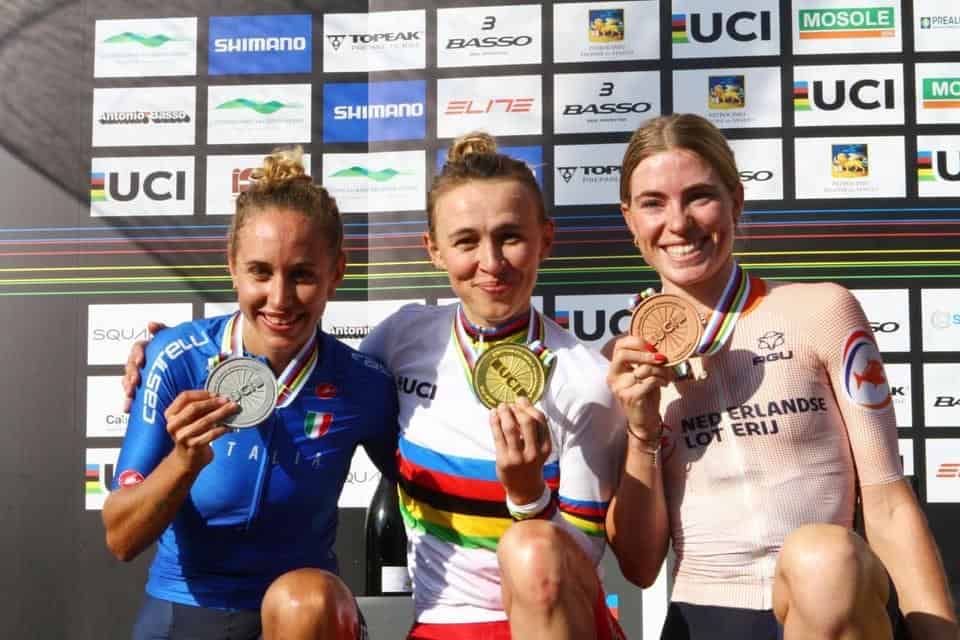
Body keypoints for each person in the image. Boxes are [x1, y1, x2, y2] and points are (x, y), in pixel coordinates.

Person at [123, 133, 628, 640]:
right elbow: (121, 538)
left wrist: (527, 495)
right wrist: (162, 377)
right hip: (425, 621)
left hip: (539, 616)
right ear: (434, 250)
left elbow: (580, 562)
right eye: (466, 241)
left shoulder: (584, 379)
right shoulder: (400, 342)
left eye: (510, 237)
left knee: (314, 598)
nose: (491, 262)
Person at [603, 113, 958, 640]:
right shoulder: (623, 362)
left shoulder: (822, 311)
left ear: (736, 200)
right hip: (706, 615)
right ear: (629, 220)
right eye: (654, 203)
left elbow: (887, 503)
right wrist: (642, 429)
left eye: (699, 196)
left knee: (822, 558)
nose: (678, 223)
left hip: (831, 603)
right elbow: (638, 566)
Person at [104, 147, 398, 640]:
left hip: (301, 617)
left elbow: (434, 490)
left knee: (308, 599)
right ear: (233, 268)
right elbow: (121, 538)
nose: (279, 299)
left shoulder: (363, 382)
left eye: (302, 274)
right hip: (185, 608)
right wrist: (184, 462)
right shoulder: (176, 358)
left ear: (336, 273)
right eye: (260, 272)